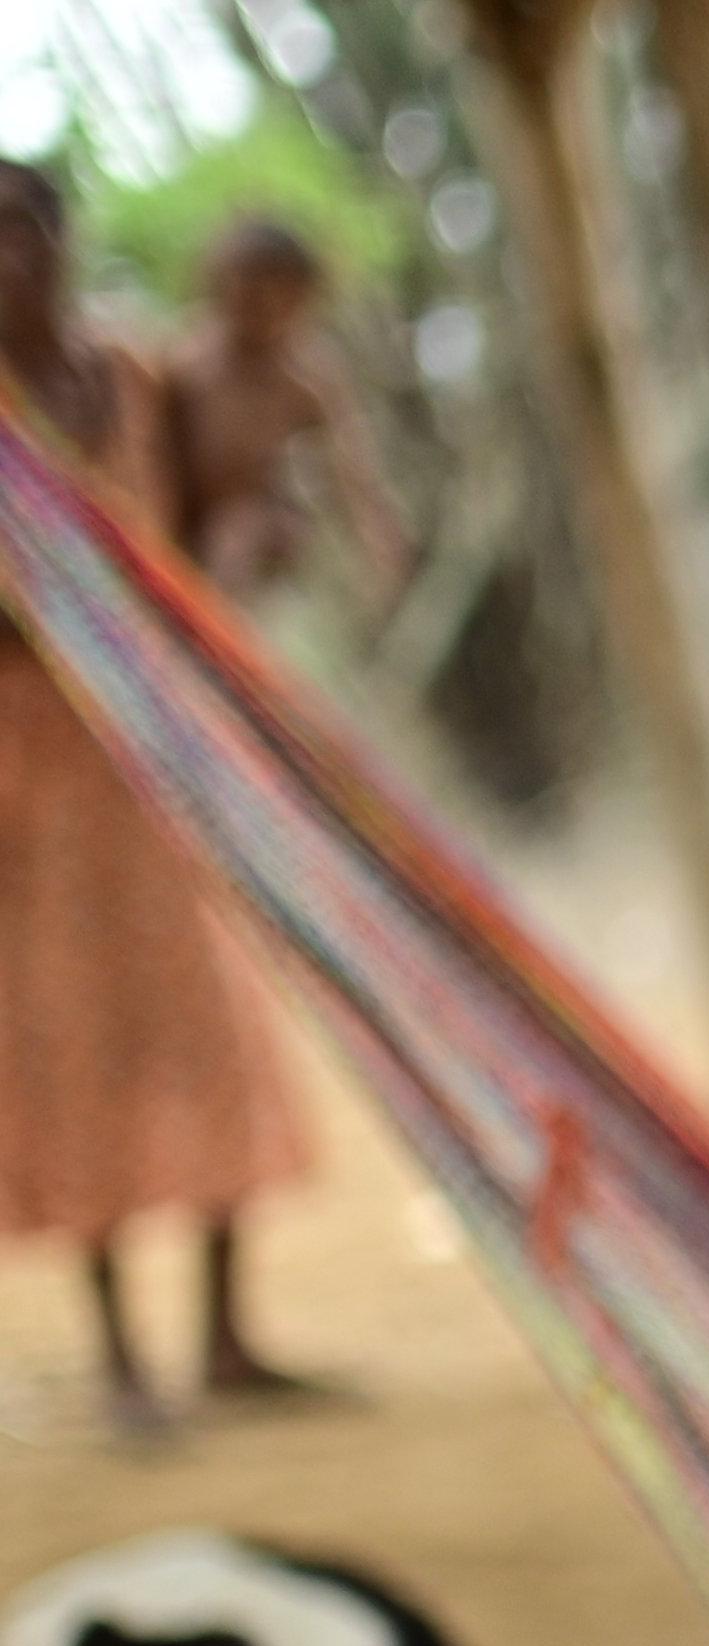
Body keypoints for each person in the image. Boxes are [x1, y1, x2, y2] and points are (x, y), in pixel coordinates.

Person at [0, 160, 323, 1441]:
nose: (16, 265)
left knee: (205, 1019)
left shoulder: (136, 380)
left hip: (158, 763)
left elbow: (200, 536)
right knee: (68, 1039)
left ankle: (230, 1334)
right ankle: (122, 1356)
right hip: (29, 779)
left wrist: (255, 540)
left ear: (67, 245)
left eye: (32, 235)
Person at [155, 216, 411, 609]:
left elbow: (350, 468)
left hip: (257, 533)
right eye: (246, 287)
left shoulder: (307, 375)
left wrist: (376, 535)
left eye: (277, 292)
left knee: (244, 535)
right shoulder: (186, 364)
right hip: (181, 531)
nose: (261, 304)